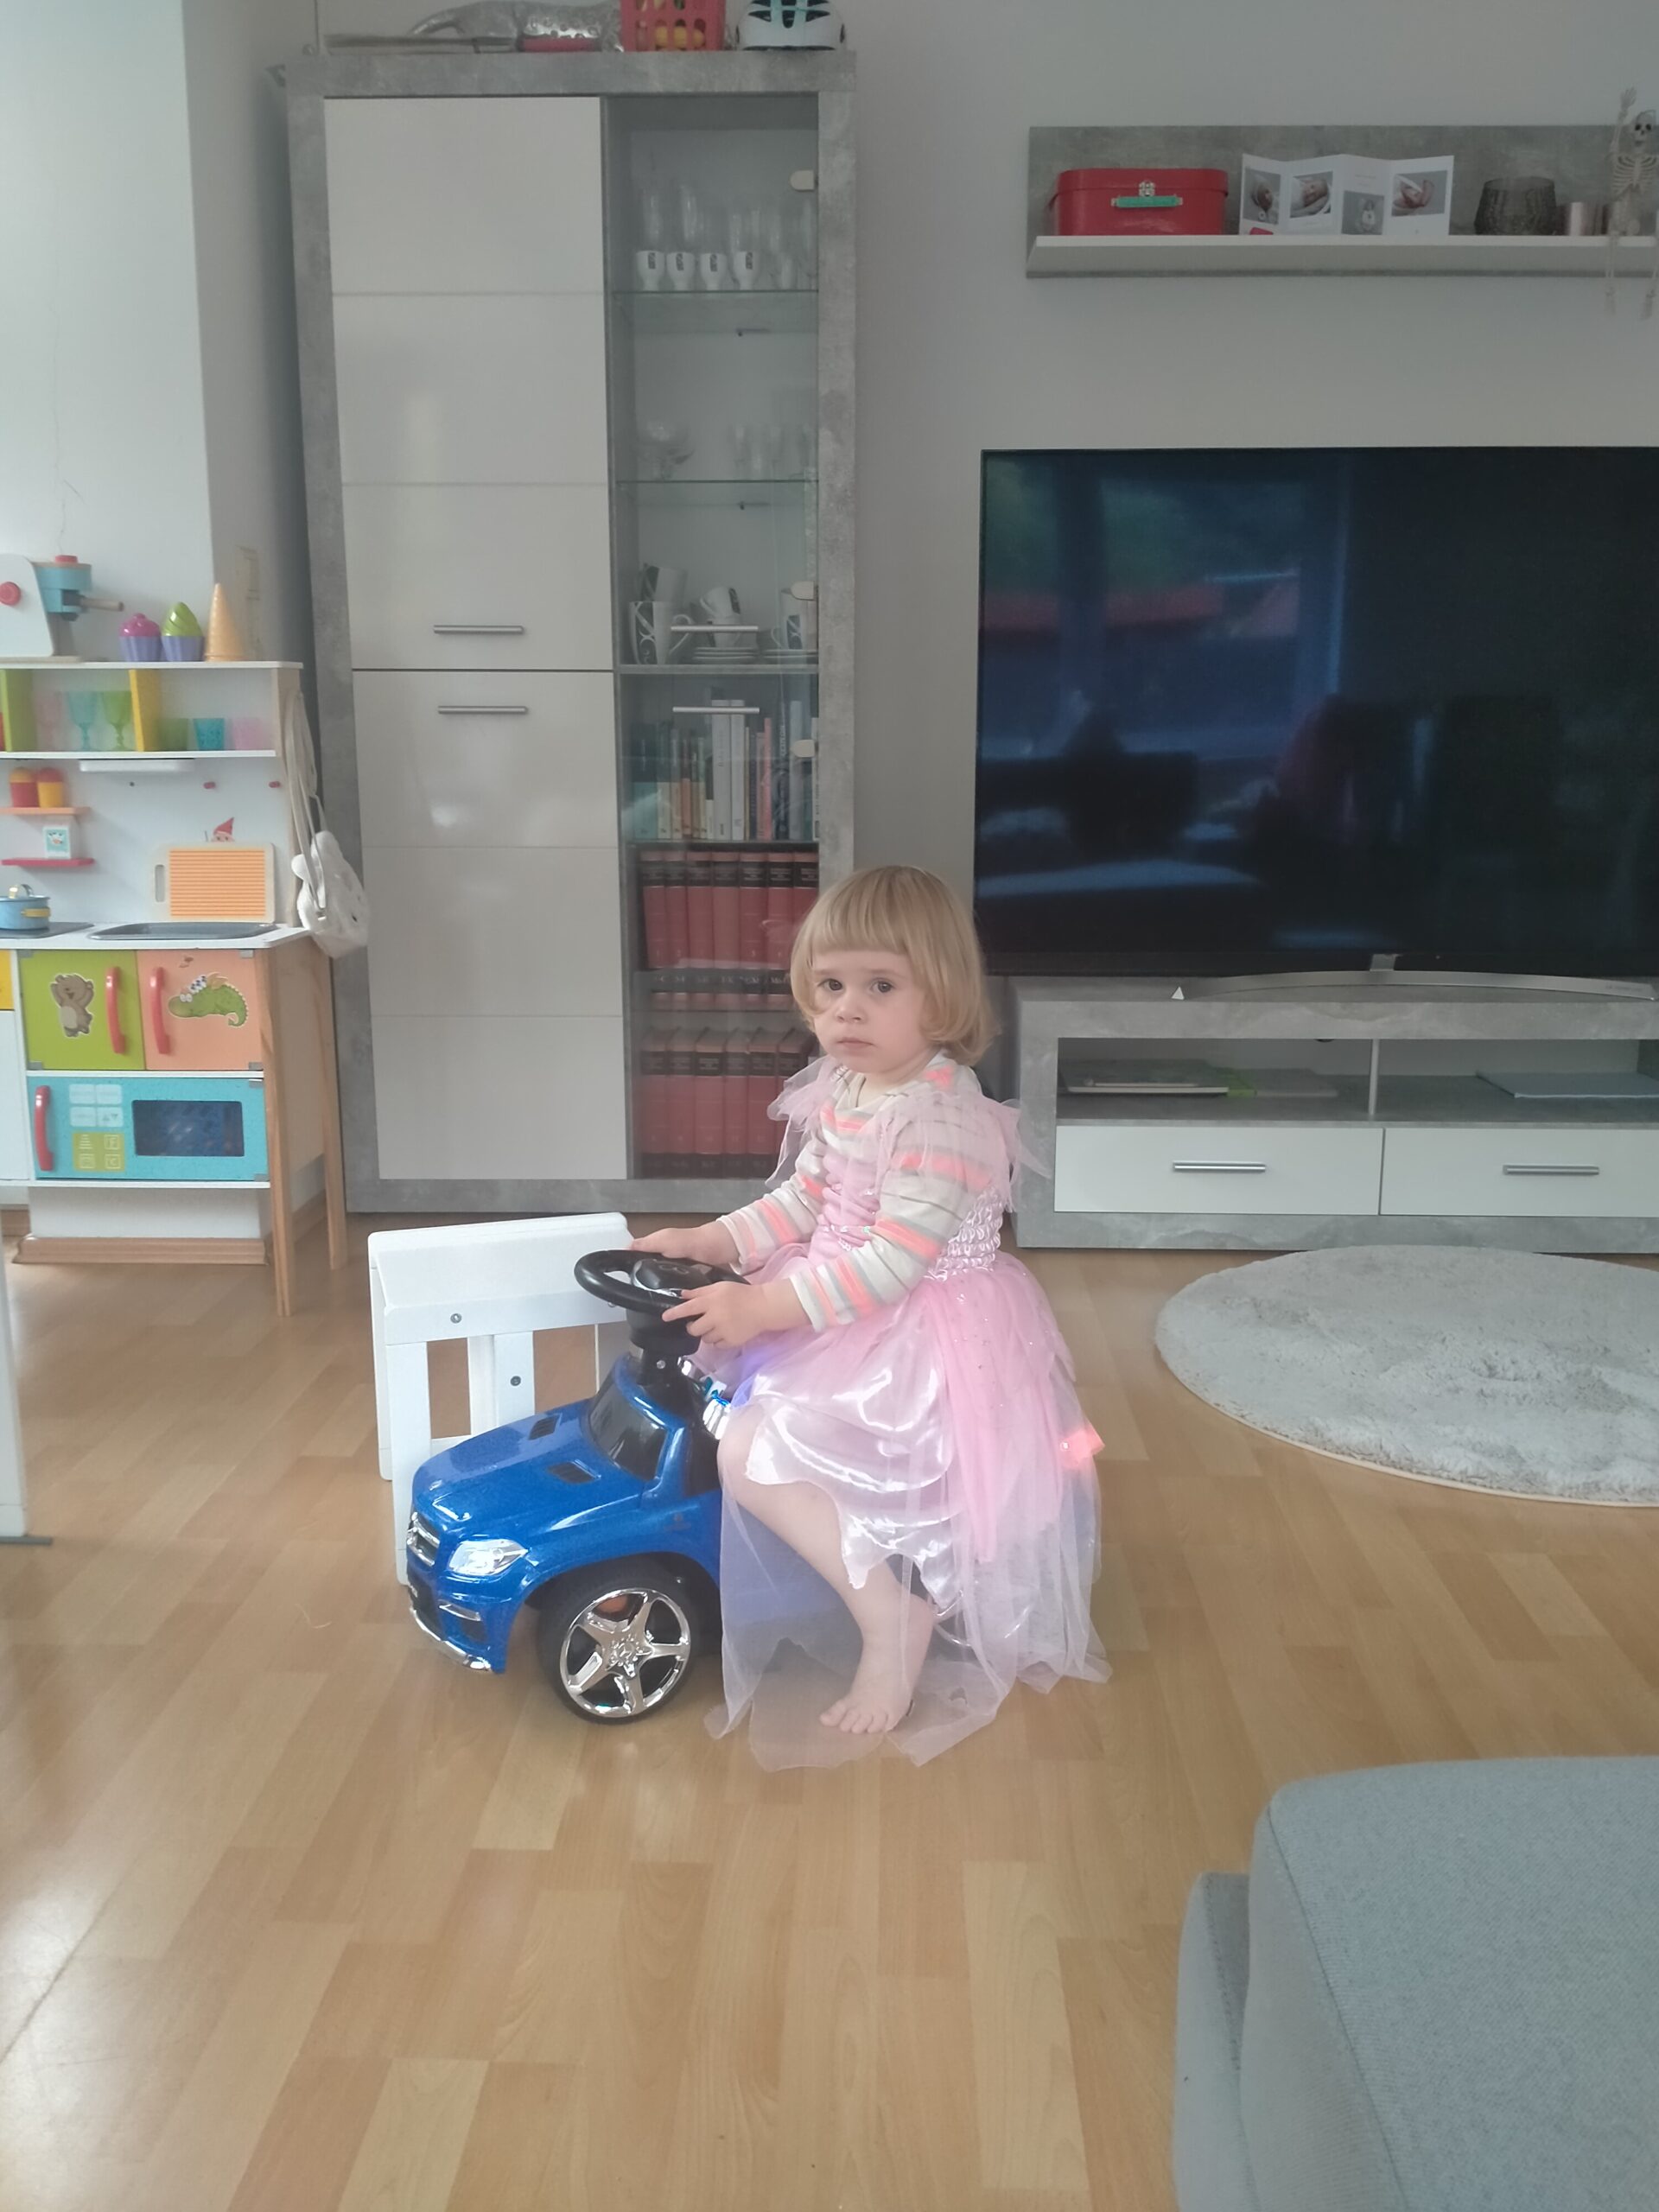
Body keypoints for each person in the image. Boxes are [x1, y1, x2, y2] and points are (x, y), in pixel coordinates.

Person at [633, 865, 1105, 1767]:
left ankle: (894, 1618)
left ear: (942, 995)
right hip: (839, 1298)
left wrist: (764, 1304)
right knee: (731, 1415)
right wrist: (712, 1239)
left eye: (880, 986)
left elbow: (892, 1263)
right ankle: (859, 1569)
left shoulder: (938, 1117)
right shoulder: (848, 1087)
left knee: (751, 1451)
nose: (847, 1010)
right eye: (829, 987)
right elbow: (801, 1202)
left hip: (921, 1329)